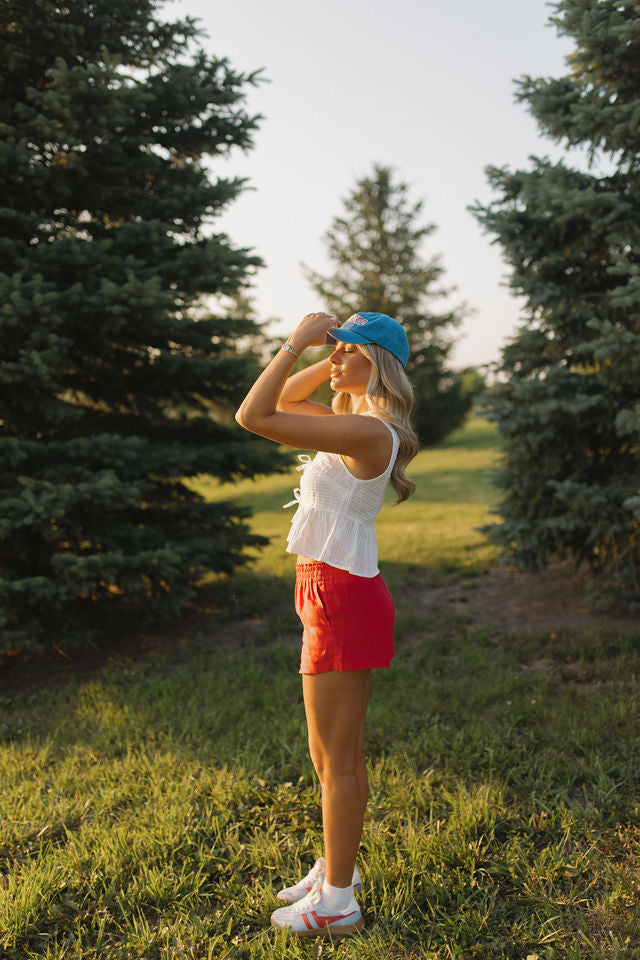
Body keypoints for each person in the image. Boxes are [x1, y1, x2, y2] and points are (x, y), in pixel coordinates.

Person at [235, 310, 418, 938]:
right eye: (333, 352)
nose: (333, 361)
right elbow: (287, 398)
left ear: (379, 363)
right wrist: (330, 348)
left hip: (342, 594)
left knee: (340, 761)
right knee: (325, 755)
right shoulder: (355, 422)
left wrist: (294, 343)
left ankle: (338, 902)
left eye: (347, 352)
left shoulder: (371, 432)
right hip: (325, 587)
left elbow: (254, 416)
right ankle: (336, 867)